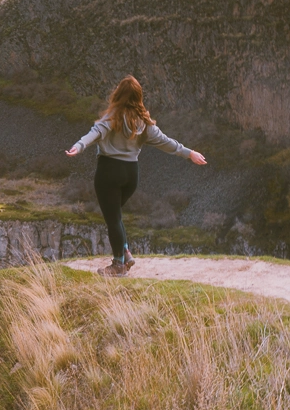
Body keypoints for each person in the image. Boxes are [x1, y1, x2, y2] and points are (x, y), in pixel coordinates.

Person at [66, 76, 207, 276]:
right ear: (139, 97)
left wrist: (79, 146)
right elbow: (166, 142)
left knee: (112, 217)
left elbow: (95, 133)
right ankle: (125, 253)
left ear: (118, 94)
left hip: (109, 172)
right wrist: (189, 153)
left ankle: (118, 265)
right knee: (115, 215)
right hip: (131, 175)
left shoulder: (112, 117)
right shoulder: (144, 123)